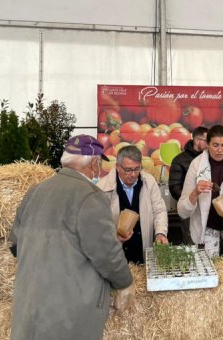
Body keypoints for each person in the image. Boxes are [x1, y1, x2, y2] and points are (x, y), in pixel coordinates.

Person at [9, 134, 132, 340]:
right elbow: (106, 254)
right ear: (94, 163)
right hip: (67, 315)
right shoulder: (90, 196)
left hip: (29, 306)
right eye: (99, 164)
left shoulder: (35, 191)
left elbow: (15, 244)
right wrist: (125, 282)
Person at [177, 125, 223, 257]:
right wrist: (195, 193)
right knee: (209, 268)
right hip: (207, 225)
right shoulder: (196, 165)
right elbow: (182, 210)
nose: (220, 150)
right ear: (207, 145)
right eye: (215, 145)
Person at [97, 145, 168, 264]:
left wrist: (160, 233)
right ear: (118, 167)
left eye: (137, 169)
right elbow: (97, 224)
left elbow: (159, 210)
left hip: (142, 250)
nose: (133, 174)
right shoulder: (102, 188)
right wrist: (114, 237)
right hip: (116, 255)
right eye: (128, 170)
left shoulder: (149, 181)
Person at [168, 126, 208, 244]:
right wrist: (192, 199)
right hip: (189, 209)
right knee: (191, 240)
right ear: (197, 140)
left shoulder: (209, 158)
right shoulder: (179, 160)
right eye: (207, 141)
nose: (210, 144)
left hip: (208, 208)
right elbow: (174, 187)